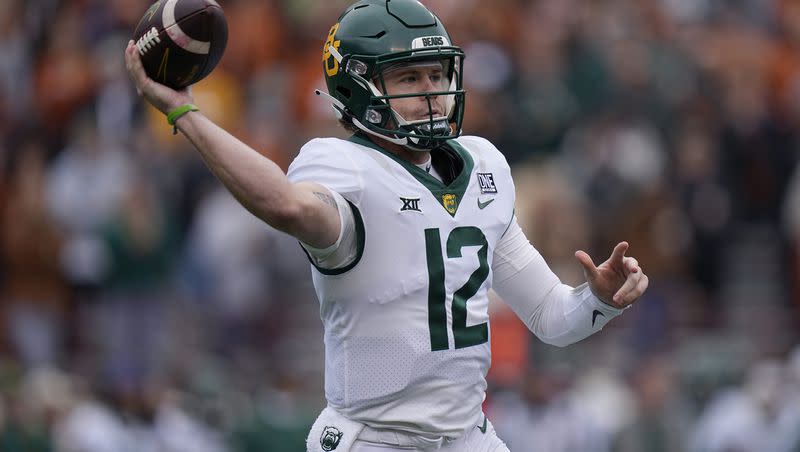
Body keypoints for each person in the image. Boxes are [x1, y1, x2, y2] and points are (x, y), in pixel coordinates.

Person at [124, 1, 649, 451]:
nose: (432, 91)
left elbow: (553, 318)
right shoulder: (342, 167)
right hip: (373, 439)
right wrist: (186, 115)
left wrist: (598, 299)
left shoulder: (484, 166)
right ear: (356, 90)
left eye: (438, 74)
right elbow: (285, 205)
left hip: (469, 437)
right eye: (408, 77)